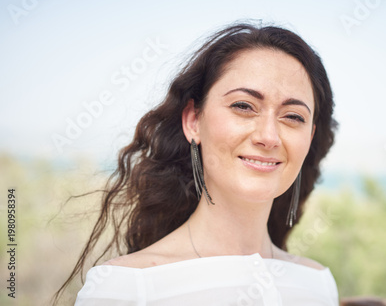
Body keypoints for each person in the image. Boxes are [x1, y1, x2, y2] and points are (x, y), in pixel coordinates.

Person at [55, 21, 339, 305]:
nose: (269, 137)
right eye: (243, 106)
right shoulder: (125, 287)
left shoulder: (319, 284)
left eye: (293, 116)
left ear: (310, 136)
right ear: (193, 120)